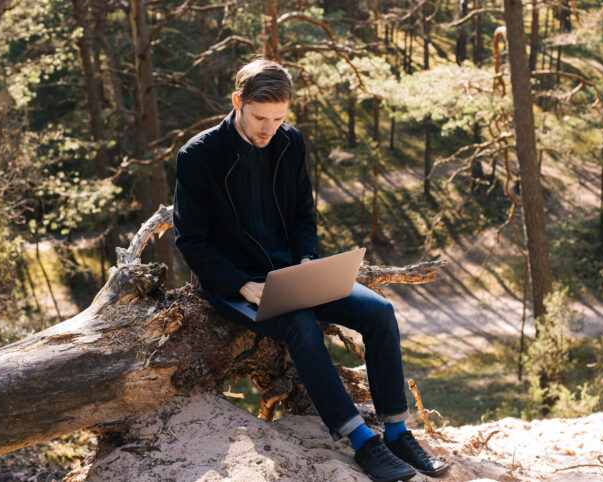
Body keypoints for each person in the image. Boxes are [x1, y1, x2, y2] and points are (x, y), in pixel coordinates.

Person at [173, 58, 448, 481]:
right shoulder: (198, 155)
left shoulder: (290, 142)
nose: (269, 129)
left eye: (279, 118)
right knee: (300, 324)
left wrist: (306, 260)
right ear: (236, 103)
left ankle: (396, 433)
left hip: (294, 273)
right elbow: (191, 241)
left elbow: (303, 213)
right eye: (259, 117)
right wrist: (242, 285)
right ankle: (362, 442)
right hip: (232, 285)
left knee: (380, 313)